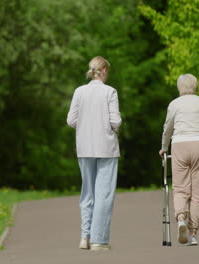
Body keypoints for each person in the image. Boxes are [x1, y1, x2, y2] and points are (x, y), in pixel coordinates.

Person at [67, 56, 122, 251]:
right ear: (104, 70)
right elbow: (116, 121)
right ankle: (99, 240)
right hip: (106, 147)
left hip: (84, 147)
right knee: (104, 194)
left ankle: (84, 236)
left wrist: (85, 125)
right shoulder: (110, 92)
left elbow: (71, 120)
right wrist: (110, 128)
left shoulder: (79, 91)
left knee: (87, 193)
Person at [159, 73, 199, 246]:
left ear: (179, 87)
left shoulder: (174, 104)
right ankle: (192, 233)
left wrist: (164, 147)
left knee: (180, 188)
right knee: (197, 192)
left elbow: (167, 128)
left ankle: (181, 219)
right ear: (195, 86)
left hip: (180, 144)